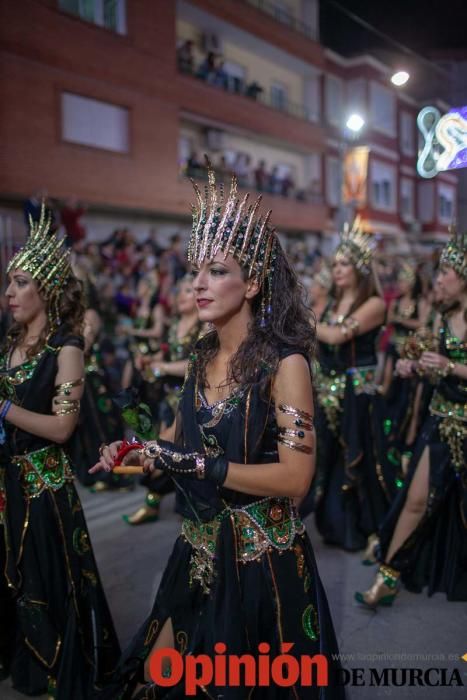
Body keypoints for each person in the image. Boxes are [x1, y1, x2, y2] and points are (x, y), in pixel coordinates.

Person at [91, 162, 344, 698]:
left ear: (252, 282)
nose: (199, 284)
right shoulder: (199, 355)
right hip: (196, 552)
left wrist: (200, 465)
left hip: (262, 564)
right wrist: (131, 454)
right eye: (194, 271)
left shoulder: (286, 365)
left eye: (217, 271)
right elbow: (175, 452)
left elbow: (296, 480)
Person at [0, 205, 120, 697]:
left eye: (20, 283)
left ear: (45, 289)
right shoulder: (9, 342)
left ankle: (53, 667)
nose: (9, 293)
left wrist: (4, 411)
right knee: (13, 577)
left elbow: (63, 427)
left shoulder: (66, 348)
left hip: (45, 489)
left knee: (47, 580)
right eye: (8, 283)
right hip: (8, 482)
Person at [356, 230, 467, 608]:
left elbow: (448, 366)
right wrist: (411, 365)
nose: (437, 280)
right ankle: (388, 576)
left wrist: (451, 366)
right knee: (415, 499)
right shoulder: (440, 317)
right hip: (440, 421)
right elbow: (427, 362)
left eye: (444, 273)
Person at [308, 221, 392, 560]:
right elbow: (317, 338)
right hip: (327, 390)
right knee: (325, 459)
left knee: (357, 459)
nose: (336, 269)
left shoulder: (373, 304)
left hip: (357, 397)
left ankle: (362, 528)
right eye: (335, 264)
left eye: (343, 264)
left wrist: (304, 317)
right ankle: (332, 523)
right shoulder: (329, 305)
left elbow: (337, 337)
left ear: (359, 267)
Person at [123, 274, 202, 525]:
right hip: (166, 399)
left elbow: (196, 364)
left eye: (188, 291)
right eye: (180, 291)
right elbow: (165, 351)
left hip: (189, 401)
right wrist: (150, 359)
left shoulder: (203, 328)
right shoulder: (175, 324)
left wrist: (163, 367)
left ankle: (190, 507)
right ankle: (152, 504)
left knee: (184, 454)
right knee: (159, 447)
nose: (181, 296)